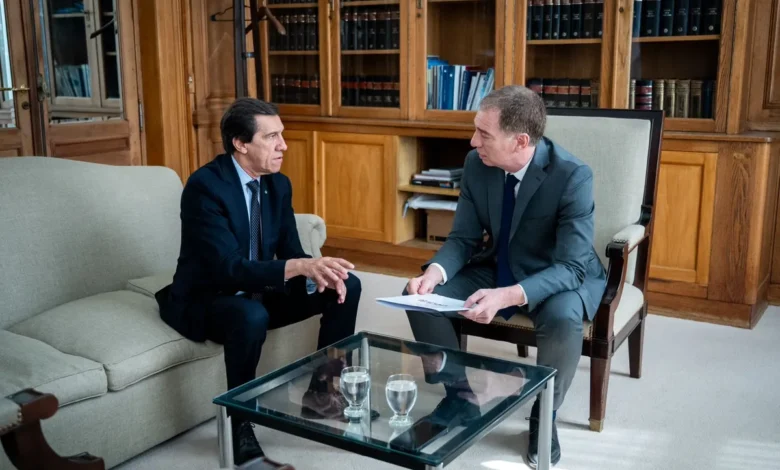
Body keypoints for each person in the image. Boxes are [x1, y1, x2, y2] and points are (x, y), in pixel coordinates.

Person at [403, 85, 606, 468]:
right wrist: (435, 272)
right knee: (418, 296)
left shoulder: (573, 175)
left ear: (520, 141)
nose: (472, 140)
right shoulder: (476, 163)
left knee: (564, 318)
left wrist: (508, 295)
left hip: (556, 274)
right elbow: (463, 238)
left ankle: (544, 412)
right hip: (498, 263)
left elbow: (572, 267)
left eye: (484, 134)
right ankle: (461, 396)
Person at [155, 97, 362, 465]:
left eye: (281, 135)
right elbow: (228, 269)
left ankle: (322, 393)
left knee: (346, 285)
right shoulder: (205, 186)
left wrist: (319, 271)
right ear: (240, 143)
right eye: (271, 137)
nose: (284, 145)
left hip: (260, 291)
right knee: (250, 315)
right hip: (209, 298)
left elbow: (290, 251)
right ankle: (239, 425)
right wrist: (299, 266)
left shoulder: (277, 184)